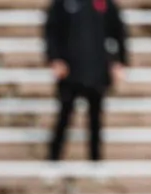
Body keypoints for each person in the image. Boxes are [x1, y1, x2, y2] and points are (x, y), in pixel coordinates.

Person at [44, 0, 129, 163]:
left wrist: (119, 62)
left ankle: (95, 160)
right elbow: (52, 31)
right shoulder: (63, 3)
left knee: (95, 119)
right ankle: (53, 159)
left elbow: (119, 31)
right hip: (70, 72)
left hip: (97, 71)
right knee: (64, 117)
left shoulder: (104, 3)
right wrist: (54, 58)